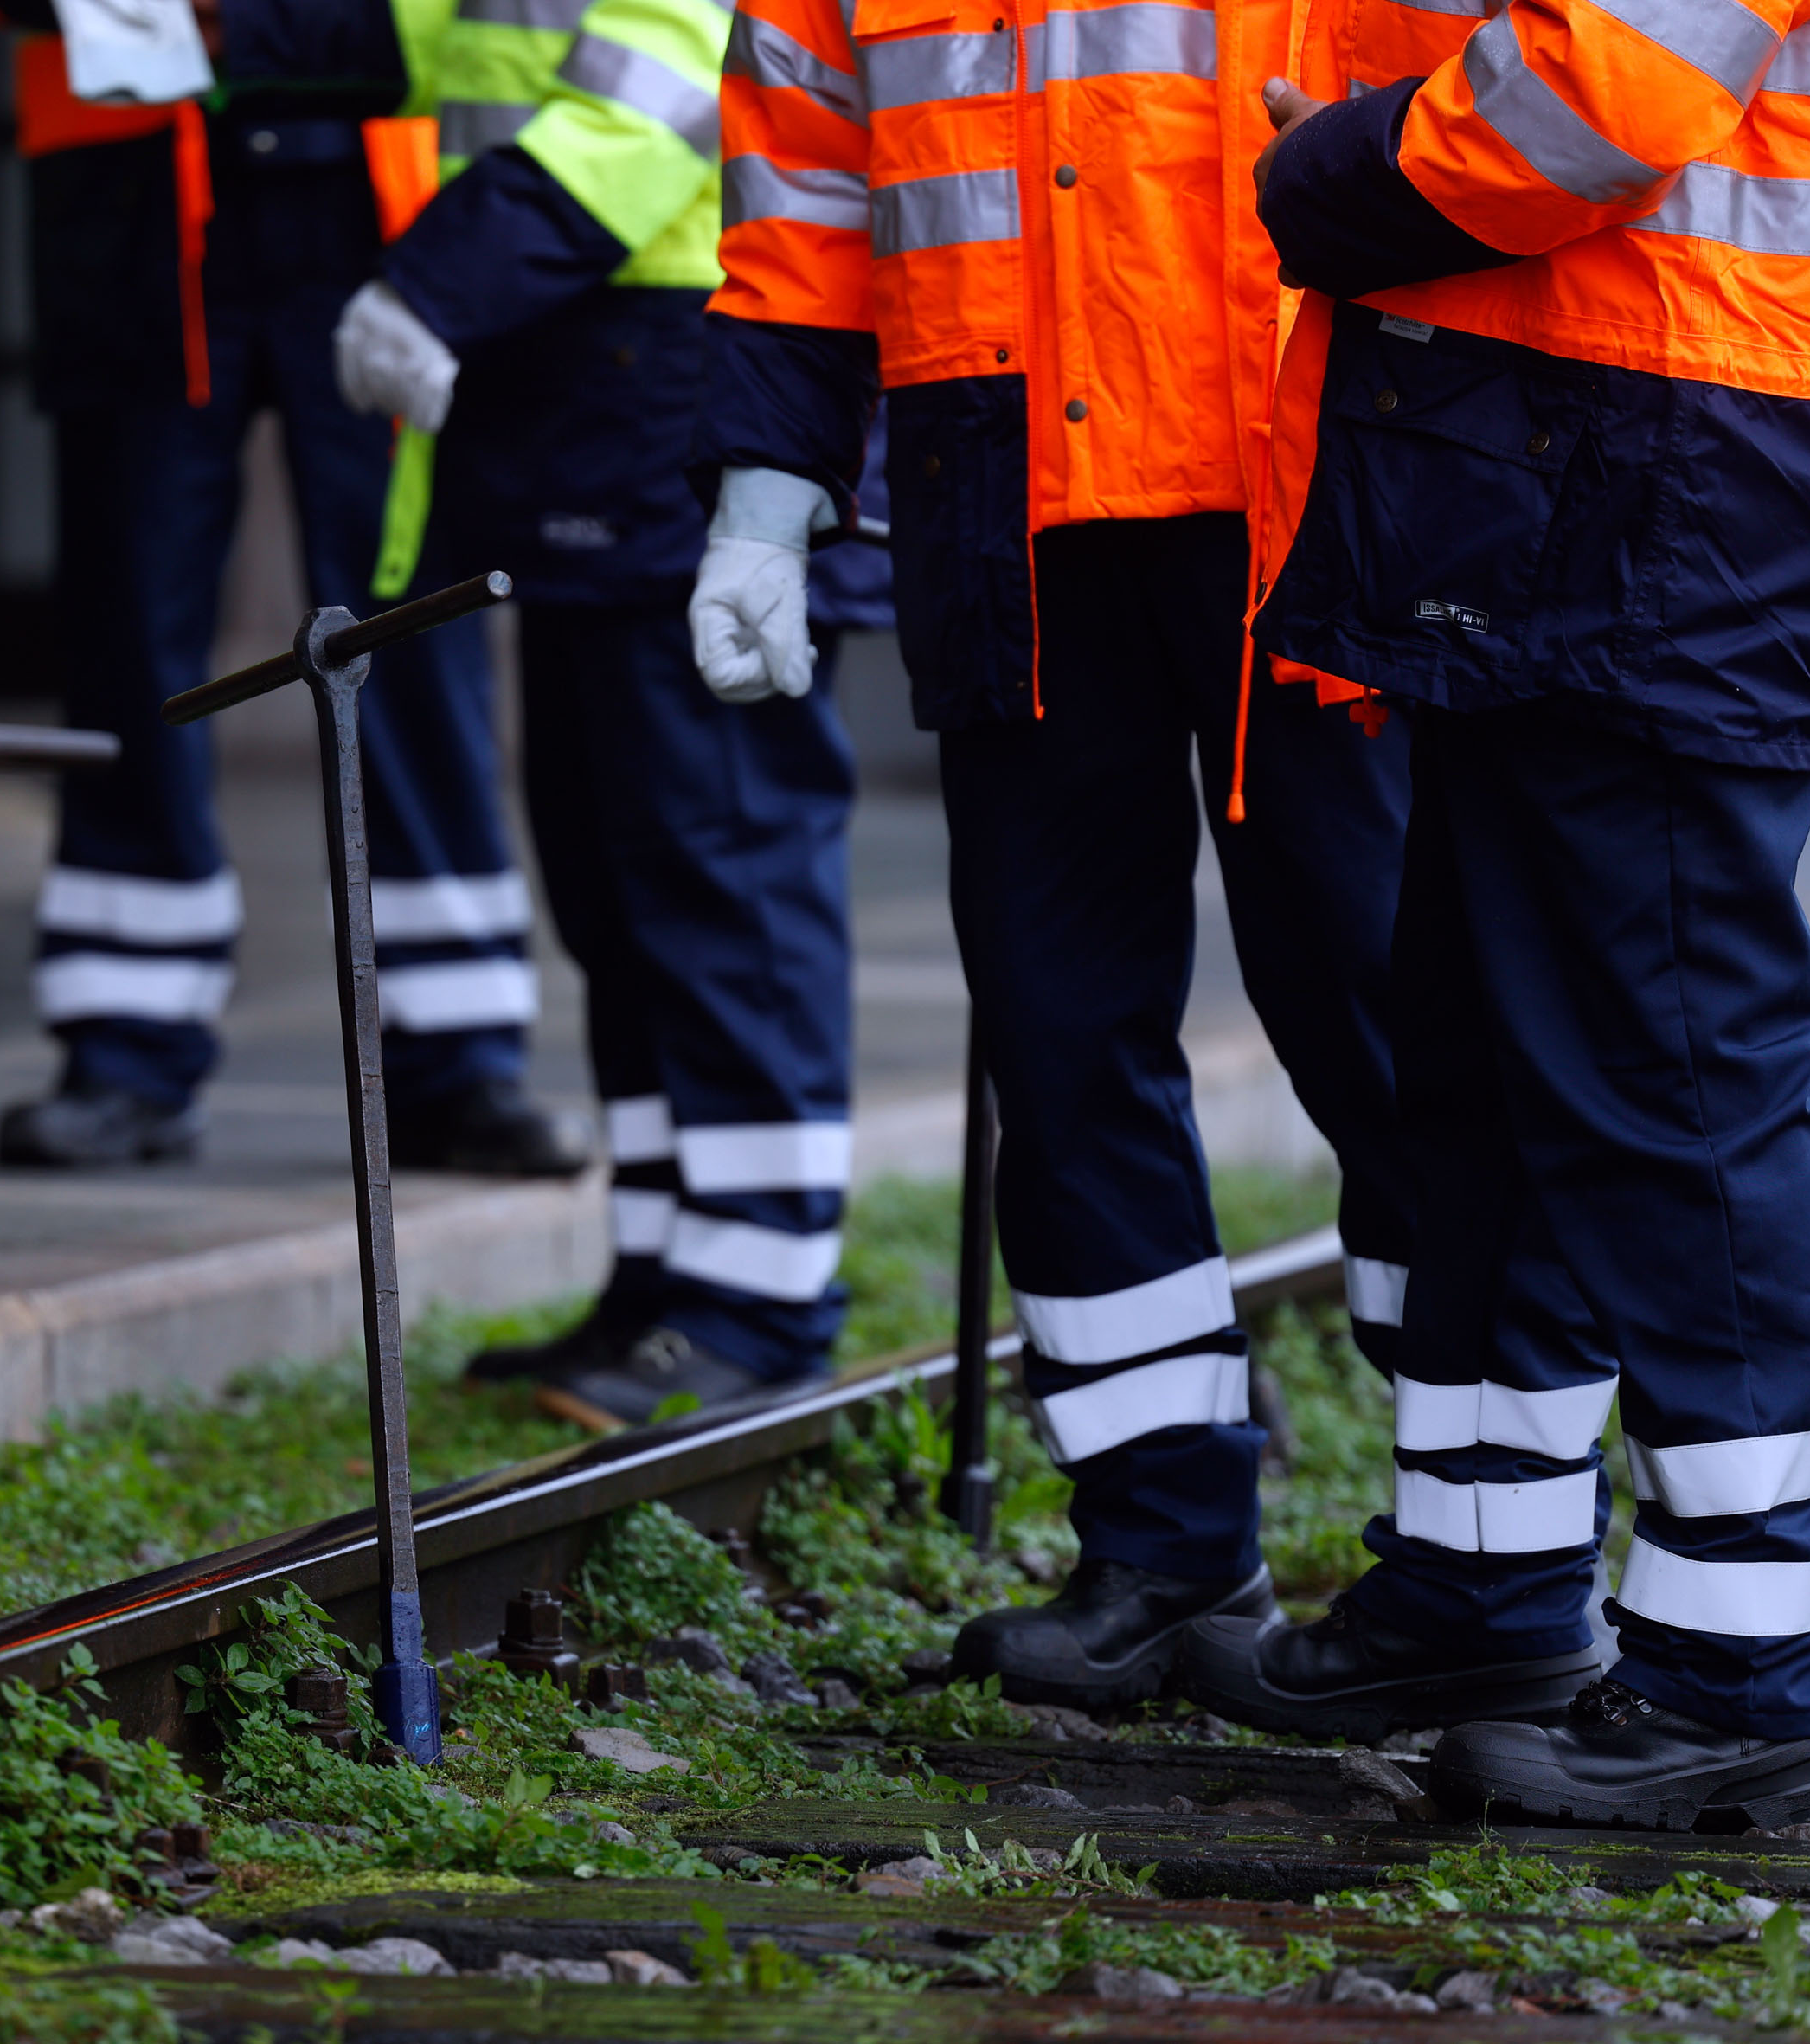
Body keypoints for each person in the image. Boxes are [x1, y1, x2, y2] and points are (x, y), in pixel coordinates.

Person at [1171, 0, 1810, 1827]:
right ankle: (1482, 1579)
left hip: (1679, 437)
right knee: (1487, 1029)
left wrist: (1330, 172)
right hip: (1600, 422)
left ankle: (1738, 1674)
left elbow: (1606, 81)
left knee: (1662, 1053)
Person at [691, 0, 1460, 1717]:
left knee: (1386, 1012)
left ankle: (1486, 1550)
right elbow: (801, 204)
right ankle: (1159, 1538)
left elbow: (1501, 102)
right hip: (1009, 498)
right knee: (1056, 1035)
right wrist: (763, 480)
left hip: (1308, 465)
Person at [344, 0, 861, 1430]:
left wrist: (442, 276)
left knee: (722, 862)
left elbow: (671, 81)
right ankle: (665, 1275)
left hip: (686, 368)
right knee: (619, 874)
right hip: (585, 375)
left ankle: (758, 1300)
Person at [0, 3, 587, 1180]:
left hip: (377, 179)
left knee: (412, 627)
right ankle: (124, 1049)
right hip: (136, 181)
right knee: (130, 631)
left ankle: (460, 1055)